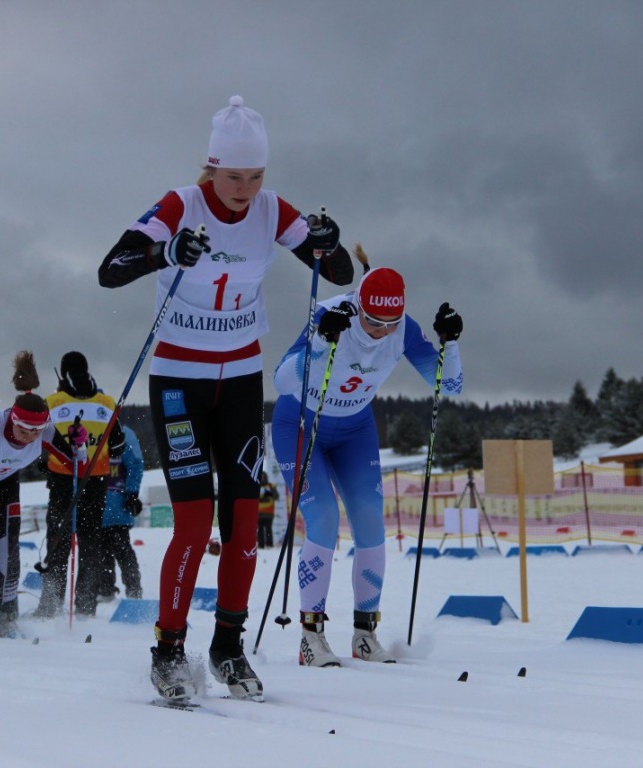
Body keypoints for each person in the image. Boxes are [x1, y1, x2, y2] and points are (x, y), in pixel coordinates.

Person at [97, 95, 354, 703]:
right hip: (180, 381)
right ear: (211, 168)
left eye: (256, 176)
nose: (244, 189)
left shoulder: (270, 210)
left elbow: (338, 271)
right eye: (234, 176)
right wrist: (166, 251)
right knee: (191, 523)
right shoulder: (180, 204)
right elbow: (111, 268)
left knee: (241, 525)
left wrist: (329, 240)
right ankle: (168, 651)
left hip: (239, 379)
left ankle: (228, 648)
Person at [270, 259, 463, 667]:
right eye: (374, 322)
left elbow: (449, 385)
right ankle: (311, 636)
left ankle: (364, 633)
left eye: (390, 323)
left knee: (372, 523)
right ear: (358, 306)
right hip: (302, 424)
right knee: (323, 517)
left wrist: (451, 343)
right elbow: (282, 381)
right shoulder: (330, 313)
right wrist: (322, 341)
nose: (382, 332)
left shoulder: (404, 329)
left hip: (355, 430)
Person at [0, 351, 83, 640]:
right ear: (13, 419)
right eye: (24, 430)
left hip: (3, 486)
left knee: (10, 552)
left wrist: (79, 444)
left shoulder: (45, 431)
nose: (29, 438)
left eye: (36, 432)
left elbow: (74, 461)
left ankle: (7, 620)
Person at [30, 352, 123, 620]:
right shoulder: (106, 402)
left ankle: (50, 605)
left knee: (58, 539)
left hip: (62, 478)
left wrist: (44, 461)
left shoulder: (53, 401)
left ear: (63, 373)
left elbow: (39, 439)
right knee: (90, 541)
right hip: (97, 478)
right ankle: (85, 607)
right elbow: (117, 444)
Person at [97, 424, 144, 602]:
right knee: (111, 551)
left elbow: (135, 464)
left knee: (115, 550)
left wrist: (132, 494)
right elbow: (136, 465)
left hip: (113, 505)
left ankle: (125, 590)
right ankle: (111, 589)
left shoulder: (123, 433)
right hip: (103, 505)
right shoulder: (124, 433)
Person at [256, 471, 279, 549]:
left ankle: (269, 544)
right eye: (261, 477)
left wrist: (273, 490)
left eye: (263, 477)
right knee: (260, 530)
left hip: (269, 513)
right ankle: (261, 544)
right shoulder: (256, 486)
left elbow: (276, 497)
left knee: (268, 529)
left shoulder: (270, 486)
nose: (262, 479)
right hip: (259, 513)